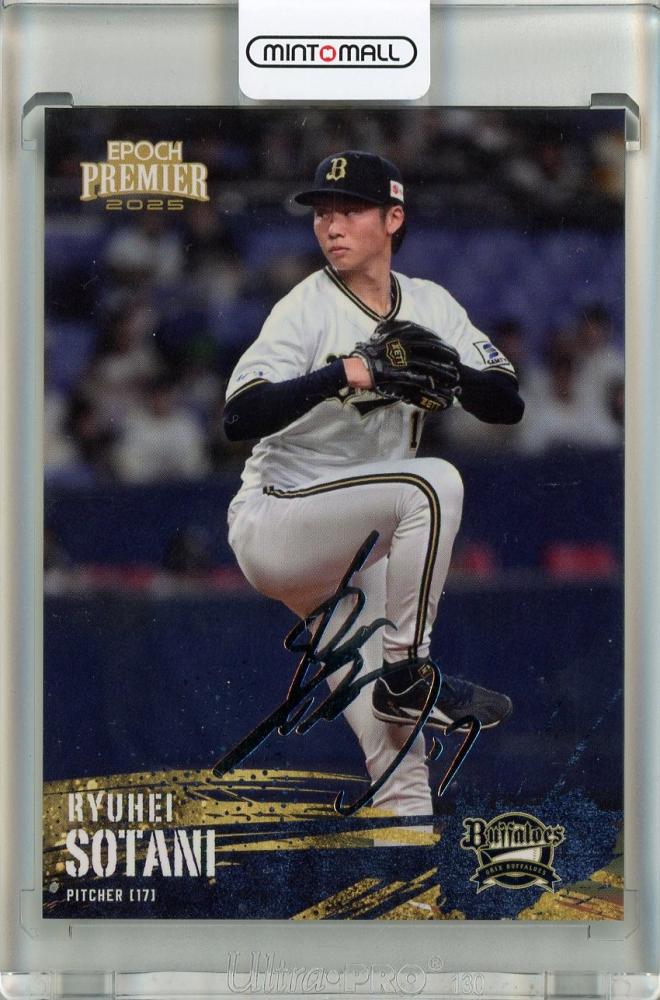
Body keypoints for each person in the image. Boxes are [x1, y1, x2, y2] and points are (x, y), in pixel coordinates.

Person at [223, 151, 524, 816]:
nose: (331, 225)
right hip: (281, 520)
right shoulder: (305, 308)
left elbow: (506, 402)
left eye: (350, 210)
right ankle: (407, 672)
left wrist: (450, 373)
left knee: (401, 763)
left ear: (392, 219)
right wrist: (344, 373)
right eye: (322, 212)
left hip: (352, 559)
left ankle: (405, 872)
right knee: (430, 486)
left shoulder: (430, 304)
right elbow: (239, 416)